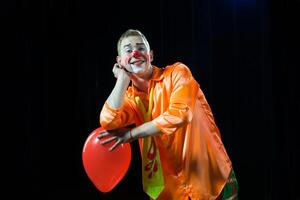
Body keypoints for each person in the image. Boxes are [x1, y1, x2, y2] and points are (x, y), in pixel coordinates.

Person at [97, 29, 238, 200]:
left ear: (151, 55)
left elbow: (179, 115)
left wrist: (131, 134)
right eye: (128, 50)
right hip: (170, 193)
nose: (135, 53)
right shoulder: (130, 100)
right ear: (119, 62)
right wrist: (122, 80)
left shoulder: (177, 73)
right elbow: (108, 121)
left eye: (141, 48)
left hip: (211, 181)